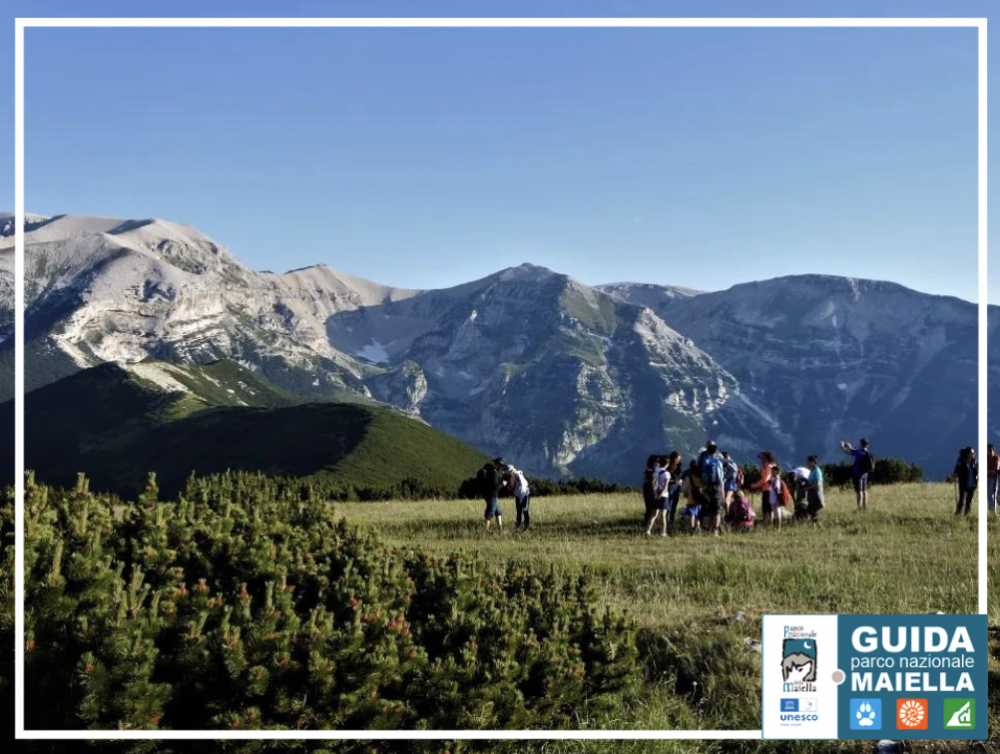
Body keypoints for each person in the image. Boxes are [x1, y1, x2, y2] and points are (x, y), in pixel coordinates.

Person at [698, 441, 726, 536]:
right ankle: (715, 531)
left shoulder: (703, 458)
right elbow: (721, 477)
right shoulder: (718, 460)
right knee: (717, 510)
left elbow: (699, 469)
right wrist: (723, 491)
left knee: (706, 508)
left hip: (706, 486)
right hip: (717, 487)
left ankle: (705, 530)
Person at [840, 438, 873, 509]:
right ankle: (865, 506)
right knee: (864, 490)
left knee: (859, 491)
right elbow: (853, 450)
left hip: (857, 474)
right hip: (865, 474)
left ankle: (859, 507)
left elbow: (847, 452)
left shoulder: (858, 452)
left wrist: (842, 446)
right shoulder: (867, 453)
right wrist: (850, 447)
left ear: (861, 444)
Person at [751, 450, 780, 528]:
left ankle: (767, 524)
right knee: (771, 508)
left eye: (761, 457)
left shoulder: (767, 466)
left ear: (765, 457)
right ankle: (771, 524)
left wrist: (755, 485)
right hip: (771, 489)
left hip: (767, 490)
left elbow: (765, 479)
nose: (760, 459)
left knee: (766, 508)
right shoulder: (772, 465)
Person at [646, 455, 671, 537]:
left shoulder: (655, 470)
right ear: (667, 464)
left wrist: (656, 496)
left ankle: (648, 531)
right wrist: (661, 494)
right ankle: (663, 533)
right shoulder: (667, 473)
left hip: (655, 495)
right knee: (663, 515)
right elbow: (665, 486)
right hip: (663, 496)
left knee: (653, 514)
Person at [480, 457, 506, 531]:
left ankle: (500, 529)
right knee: (490, 513)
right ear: (497, 464)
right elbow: (495, 487)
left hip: (489, 495)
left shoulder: (490, 471)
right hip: (492, 496)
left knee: (498, 512)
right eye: (500, 465)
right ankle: (486, 530)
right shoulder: (494, 474)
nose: (501, 467)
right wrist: (502, 484)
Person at [505, 464, 531, 530]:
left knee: (525, 510)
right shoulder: (512, 476)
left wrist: (521, 498)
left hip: (525, 495)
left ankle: (526, 526)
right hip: (518, 495)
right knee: (518, 511)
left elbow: (523, 487)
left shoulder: (519, 476)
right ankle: (518, 525)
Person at [953, 447, 978, 516]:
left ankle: (966, 515)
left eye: (973, 453)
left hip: (972, 484)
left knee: (969, 501)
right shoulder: (961, 462)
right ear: (968, 454)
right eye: (972, 453)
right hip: (963, 484)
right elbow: (957, 470)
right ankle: (958, 514)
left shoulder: (975, 462)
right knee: (962, 500)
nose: (974, 454)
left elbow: (978, 471)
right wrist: (955, 474)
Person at [666, 451, 684, 533]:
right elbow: (666, 479)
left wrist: (680, 480)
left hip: (677, 488)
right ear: (673, 458)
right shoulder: (669, 467)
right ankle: (666, 521)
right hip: (670, 487)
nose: (678, 460)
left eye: (679, 459)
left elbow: (680, 476)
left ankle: (671, 522)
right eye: (677, 458)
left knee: (674, 505)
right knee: (669, 505)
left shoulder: (679, 467)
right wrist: (674, 481)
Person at [805, 455, 825, 525]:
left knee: (813, 511)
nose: (807, 463)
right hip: (811, 494)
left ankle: (818, 526)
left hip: (816, 494)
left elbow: (818, 484)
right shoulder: (812, 471)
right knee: (811, 511)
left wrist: (807, 488)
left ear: (813, 462)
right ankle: (815, 527)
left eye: (808, 462)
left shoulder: (817, 471)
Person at [987, 444, 999, 514]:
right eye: (988, 450)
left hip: (994, 479)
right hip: (988, 478)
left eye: (990, 450)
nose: (989, 452)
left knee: (992, 495)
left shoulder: (996, 458)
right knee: (988, 496)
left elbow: (996, 470)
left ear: (993, 451)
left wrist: (988, 471)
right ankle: (991, 512)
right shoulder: (986, 458)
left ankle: (993, 513)